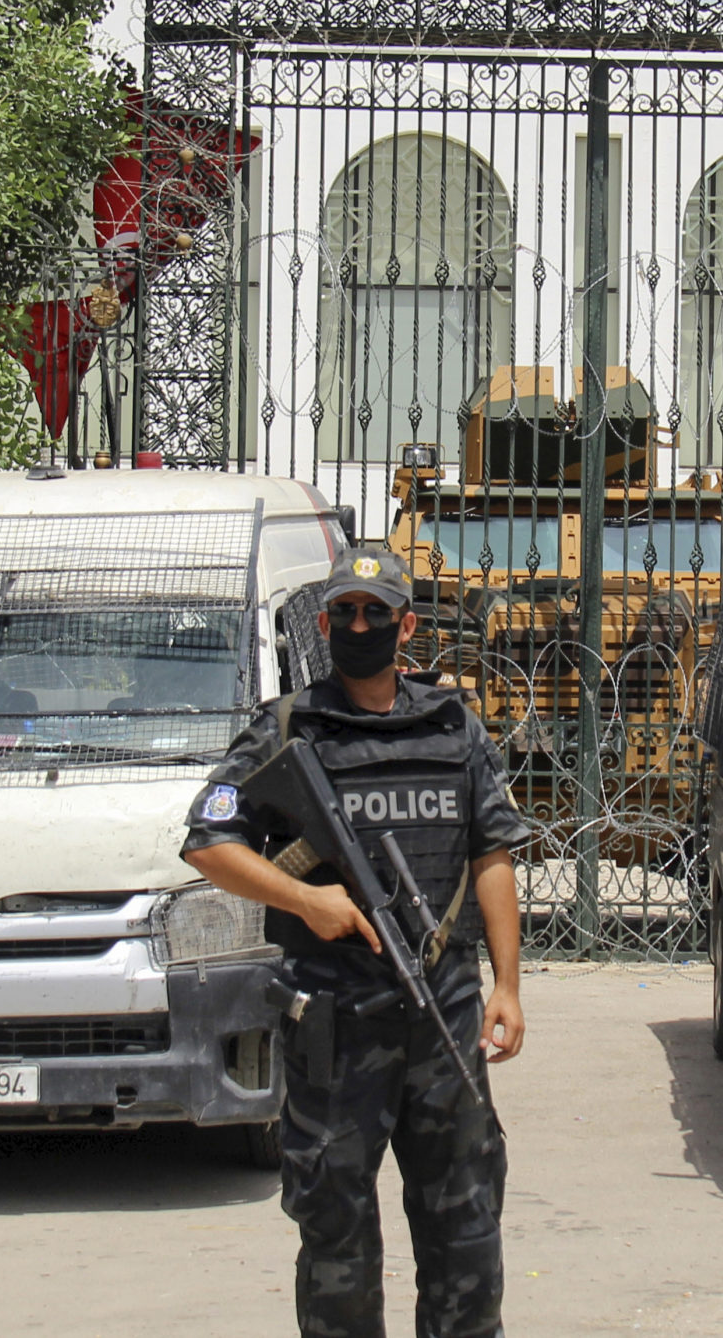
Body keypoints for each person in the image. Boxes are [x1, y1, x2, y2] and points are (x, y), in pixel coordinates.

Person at [184, 545, 531, 1338]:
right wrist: (305, 896)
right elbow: (208, 840)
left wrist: (507, 986)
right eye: (346, 611)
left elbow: (493, 855)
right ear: (324, 620)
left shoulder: (453, 727)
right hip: (335, 1026)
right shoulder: (288, 727)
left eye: (377, 611)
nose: (361, 624)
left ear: (407, 623)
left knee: (467, 1231)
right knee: (336, 1232)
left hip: (441, 1017)